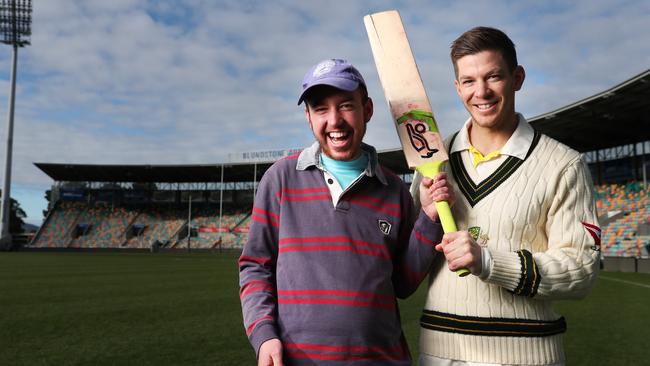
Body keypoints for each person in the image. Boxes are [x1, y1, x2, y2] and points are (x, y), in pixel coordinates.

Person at [239, 58, 453, 365]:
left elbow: (403, 283)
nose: (335, 120)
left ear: (367, 109)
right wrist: (264, 334)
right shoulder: (281, 178)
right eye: (321, 109)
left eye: (345, 105)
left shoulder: (393, 189)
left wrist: (430, 218)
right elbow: (254, 266)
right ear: (308, 118)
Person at [410, 27, 601, 365]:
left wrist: (490, 262)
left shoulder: (563, 165)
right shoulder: (432, 162)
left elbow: (582, 270)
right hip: (439, 353)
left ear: (518, 78)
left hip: (524, 354)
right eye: (468, 81)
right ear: (457, 88)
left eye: (493, 76)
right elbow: (406, 262)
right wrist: (425, 219)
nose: (480, 92)